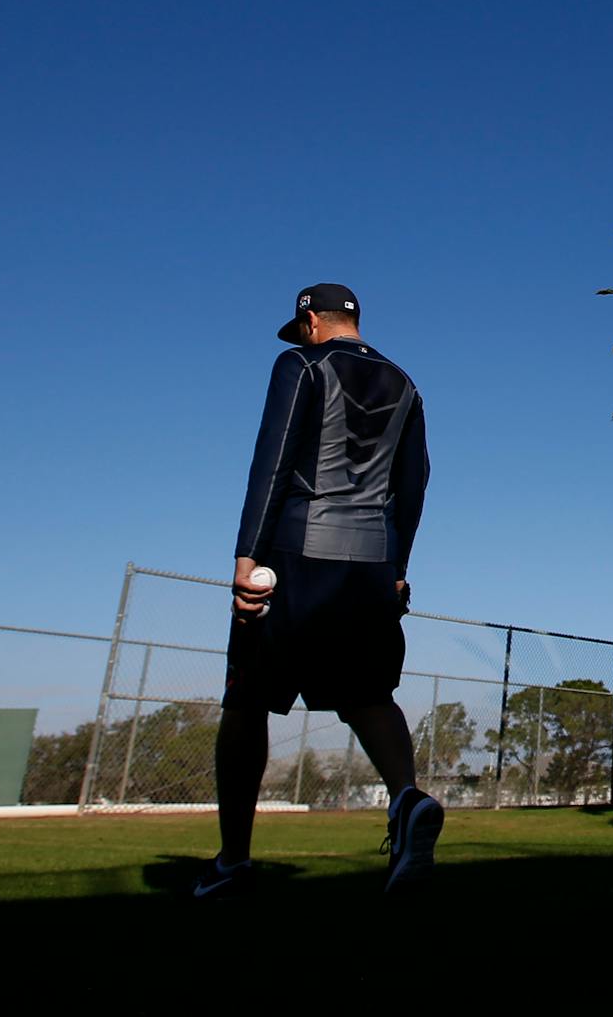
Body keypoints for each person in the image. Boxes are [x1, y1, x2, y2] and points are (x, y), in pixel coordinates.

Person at [195, 283, 438, 898]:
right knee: (368, 696)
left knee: (247, 702)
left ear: (309, 320)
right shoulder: (406, 383)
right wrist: (399, 567)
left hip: (297, 556)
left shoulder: (300, 363)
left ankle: (233, 862)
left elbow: (273, 457)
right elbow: (414, 486)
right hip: (372, 565)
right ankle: (407, 803)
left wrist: (247, 556)